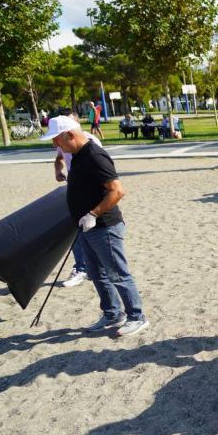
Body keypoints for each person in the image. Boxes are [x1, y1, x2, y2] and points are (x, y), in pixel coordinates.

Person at [41, 115, 149, 336]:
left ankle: (137, 317)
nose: (55, 145)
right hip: (86, 227)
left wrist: (93, 214)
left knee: (117, 273)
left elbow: (117, 190)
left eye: (57, 140)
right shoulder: (77, 154)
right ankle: (112, 314)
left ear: (69, 135)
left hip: (104, 226)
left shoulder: (94, 155)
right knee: (96, 273)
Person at [54, 109, 103, 288]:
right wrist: (58, 170)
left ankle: (93, 267)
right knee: (76, 231)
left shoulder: (92, 143)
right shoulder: (62, 141)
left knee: (94, 232)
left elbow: (105, 173)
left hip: (91, 194)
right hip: (74, 191)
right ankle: (82, 268)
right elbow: (59, 158)